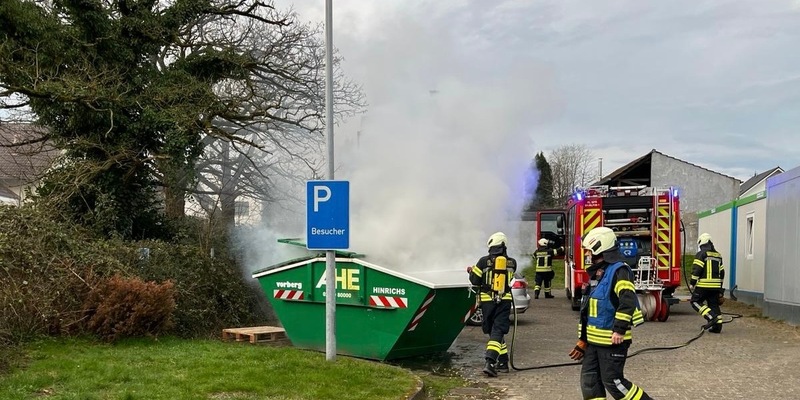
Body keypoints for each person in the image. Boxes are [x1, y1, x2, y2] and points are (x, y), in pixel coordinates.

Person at [568, 227, 652, 400]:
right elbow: (589, 311)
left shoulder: (619, 270)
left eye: (590, 250)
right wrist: (583, 341)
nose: (588, 254)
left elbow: (627, 300)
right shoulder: (599, 273)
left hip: (612, 342)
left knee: (614, 383)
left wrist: (619, 329)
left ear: (600, 247)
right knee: (590, 382)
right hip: (593, 343)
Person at [468, 231, 517, 377]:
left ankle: (490, 362)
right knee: (497, 331)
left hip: (487, 302)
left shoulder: (483, 261)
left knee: (494, 331)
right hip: (505, 301)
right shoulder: (512, 263)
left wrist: (471, 271)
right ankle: (503, 362)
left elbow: (475, 281)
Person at [690, 233, 725, 333]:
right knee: (713, 304)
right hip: (716, 286)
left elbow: (697, 270)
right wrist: (720, 288)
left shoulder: (701, 254)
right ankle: (717, 327)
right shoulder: (718, 255)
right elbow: (722, 272)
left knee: (695, 302)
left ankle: (711, 317)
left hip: (704, 285)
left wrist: (692, 282)